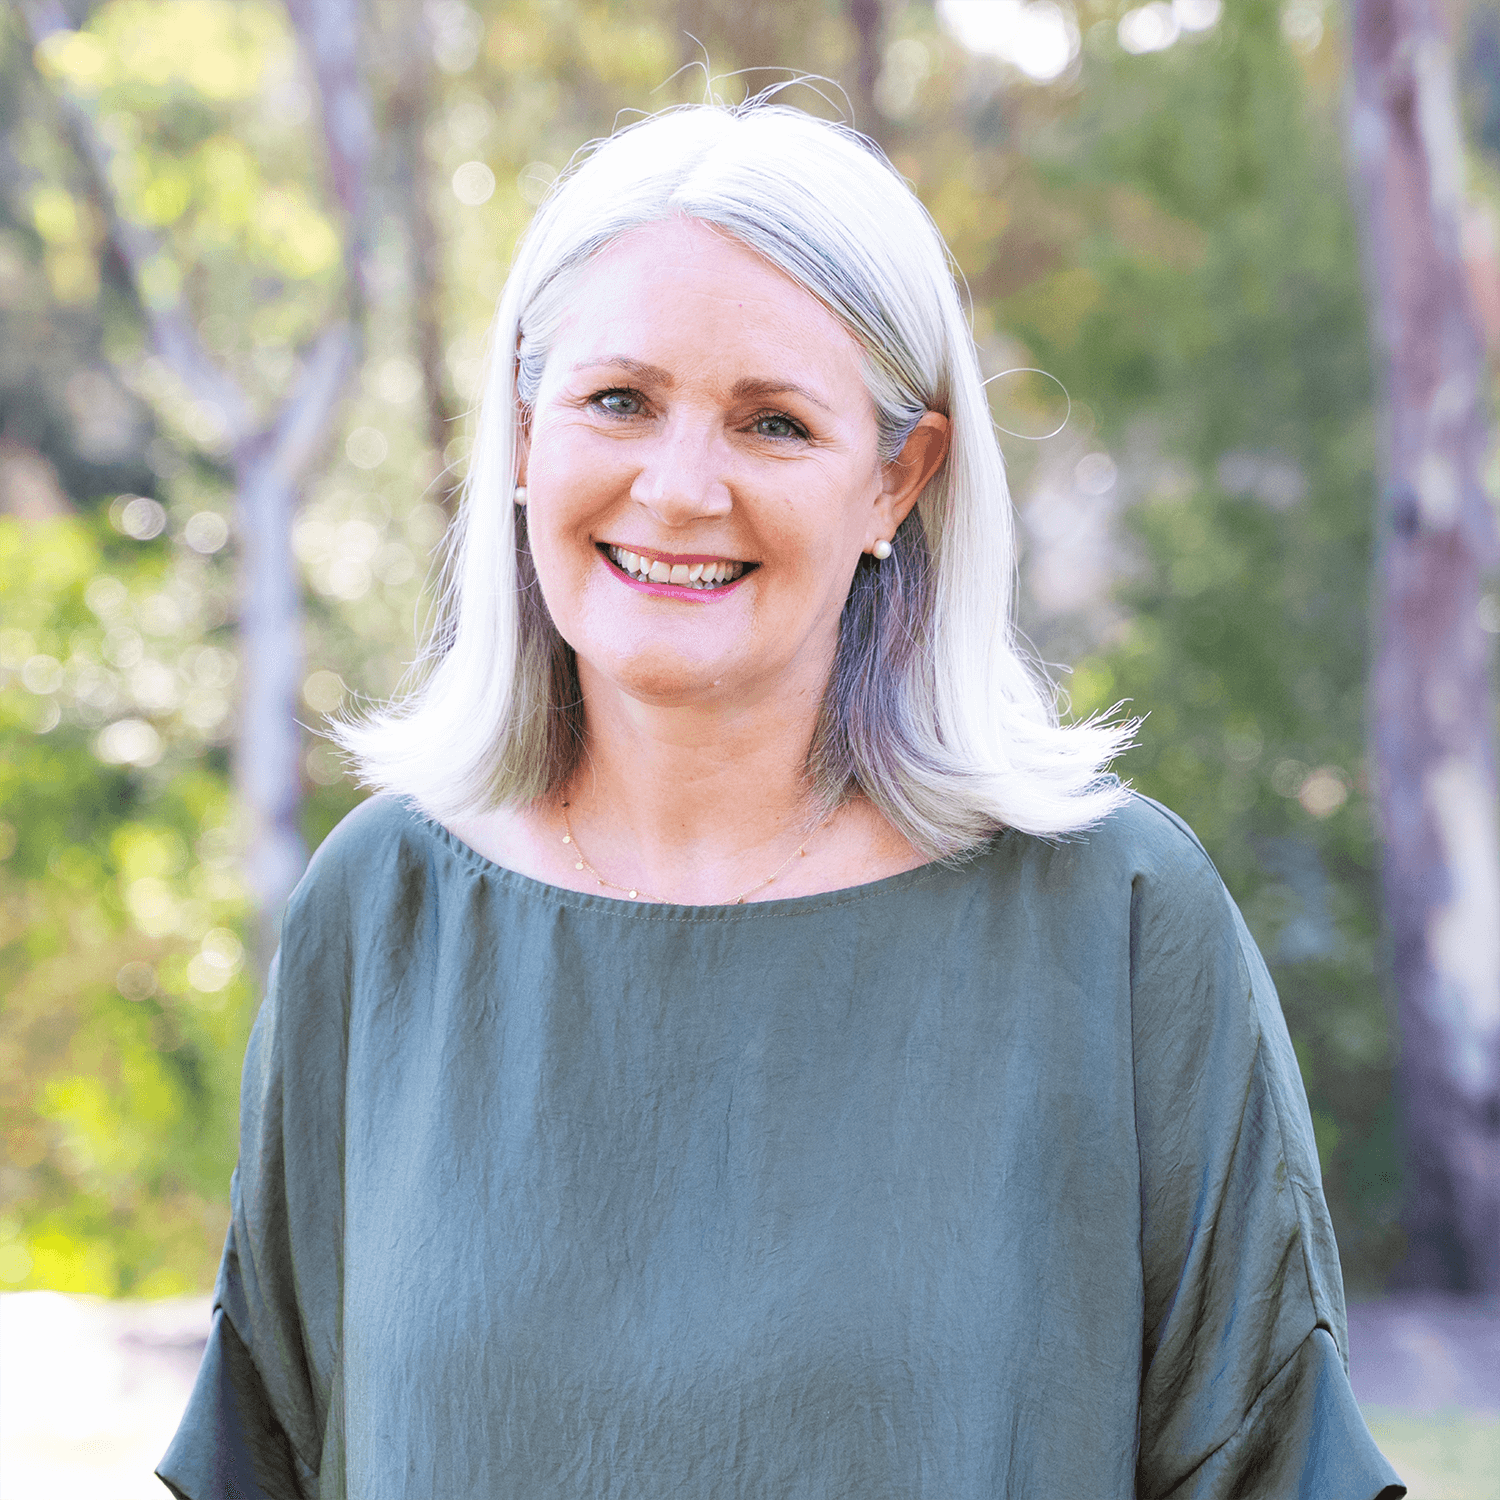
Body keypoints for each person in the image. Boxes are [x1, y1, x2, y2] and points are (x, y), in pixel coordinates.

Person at [159, 100, 1404, 1499]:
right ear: (520, 432)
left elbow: (1269, 1462)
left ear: (897, 481)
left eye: (773, 423)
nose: (681, 488)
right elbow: (268, 1455)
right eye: (618, 401)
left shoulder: (1114, 922)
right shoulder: (382, 912)